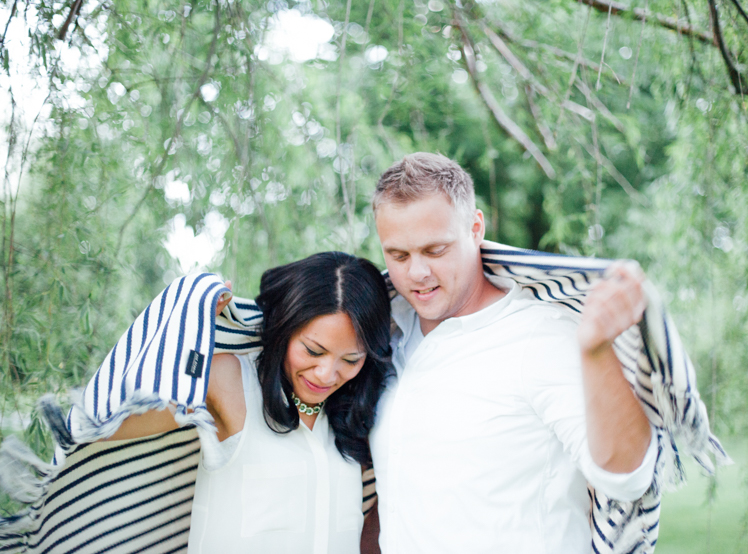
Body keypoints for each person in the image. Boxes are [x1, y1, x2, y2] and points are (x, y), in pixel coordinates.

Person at [366, 152, 659, 552]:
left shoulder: (541, 336)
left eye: (435, 250)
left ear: (475, 228)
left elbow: (628, 478)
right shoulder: (384, 338)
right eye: (398, 255)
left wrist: (597, 352)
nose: (416, 273)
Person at [107, 252, 393, 553]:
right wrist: (193, 335)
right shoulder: (232, 383)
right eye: (313, 351)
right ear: (285, 327)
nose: (326, 374)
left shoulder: (357, 418)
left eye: (350, 359)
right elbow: (112, 422)